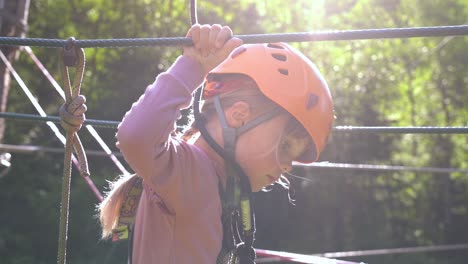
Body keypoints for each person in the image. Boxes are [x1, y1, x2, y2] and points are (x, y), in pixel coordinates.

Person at [89, 24, 333, 263]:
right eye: (285, 147)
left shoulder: (221, 187)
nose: (288, 166)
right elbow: (137, 134)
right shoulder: (193, 173)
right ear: (239, 116)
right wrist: (193, 66)